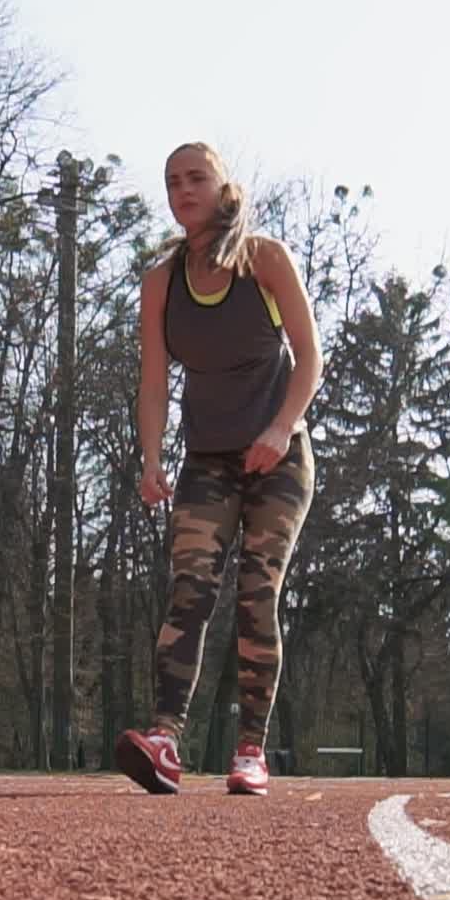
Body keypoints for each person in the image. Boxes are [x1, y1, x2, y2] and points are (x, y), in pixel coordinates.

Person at [114, 142, 322, 797]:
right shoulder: (161, 283)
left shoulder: (263, 259)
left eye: (196, 177)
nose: (183, 190)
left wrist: (281, 427)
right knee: (190, 589)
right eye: (172, 181)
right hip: (207, 458)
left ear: (222, 185)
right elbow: (153, 383)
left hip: (277, 457)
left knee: (258, 593)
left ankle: (252, 752)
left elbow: (310, 357)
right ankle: (165, 739)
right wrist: (150, 458)